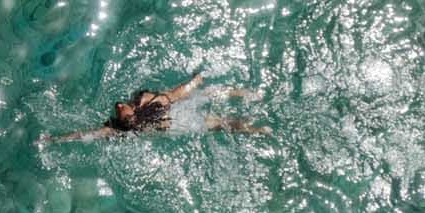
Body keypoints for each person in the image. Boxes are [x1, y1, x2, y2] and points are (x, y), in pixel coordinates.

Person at [52, 73, 265, 141]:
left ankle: (257, 128)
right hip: (179, 116)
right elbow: (178, 94)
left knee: (220, 123)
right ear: (131, 112)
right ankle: (249, 98)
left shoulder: (128, 129)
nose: (118, 105)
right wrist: (197, 79)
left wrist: (57, 139)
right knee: (210, 96)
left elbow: (89, 135)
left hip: (177, 125)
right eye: (121, 109)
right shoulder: (150, 103)